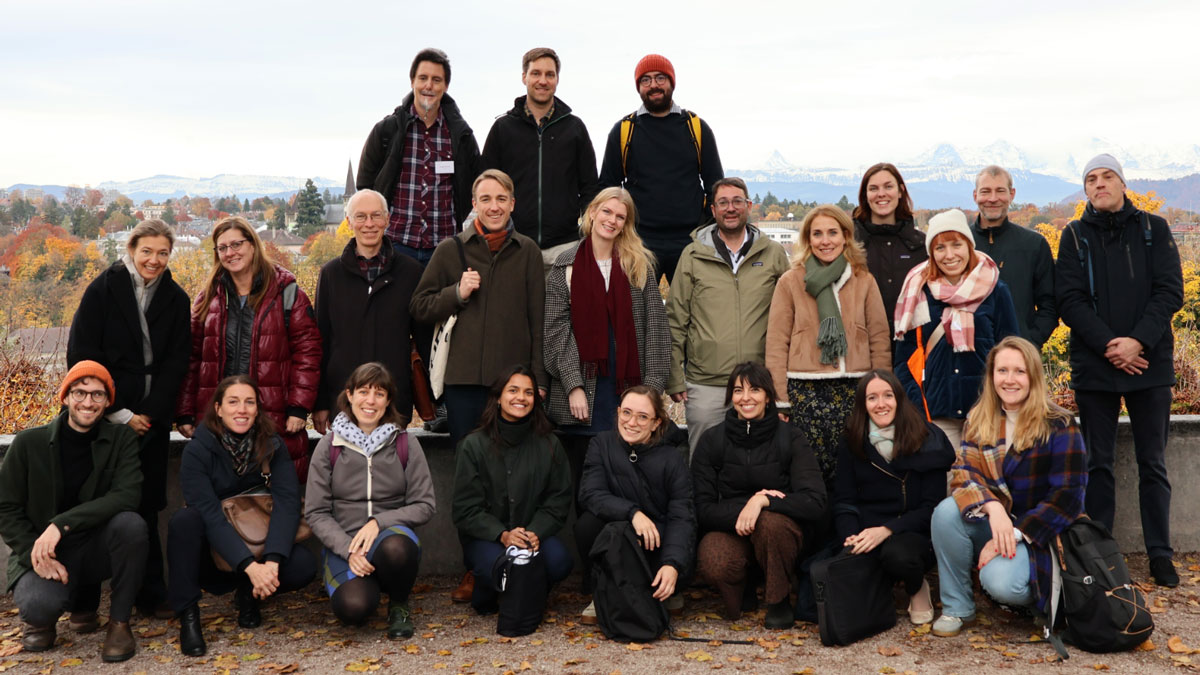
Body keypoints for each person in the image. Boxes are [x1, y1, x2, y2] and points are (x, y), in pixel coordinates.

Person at [1055, 153, 1184, 587]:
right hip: (1096, 366)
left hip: (1149, 363)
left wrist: (1137, 342)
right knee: (1098, 465)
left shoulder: (1154, 229)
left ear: (1123, 183)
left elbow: (1170, 291)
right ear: (1085, 189)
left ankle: (1160, 554)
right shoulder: (1074, 235)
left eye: (1107, 176)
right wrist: (1111, 346)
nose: (1099, 184)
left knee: (1154, 464)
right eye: (1091, 179)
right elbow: (1069, 300)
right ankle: (1101, 556)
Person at [66, 218, 190, 619]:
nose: (154, 260)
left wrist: (149, 414)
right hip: (102, 415)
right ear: (132, 249)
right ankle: (83, 601)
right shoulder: (102, 290)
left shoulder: (176, 298)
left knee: (146, 503)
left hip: (152, 418)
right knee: (91, 500)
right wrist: (118, 412)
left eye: (163, 253)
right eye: (147, 251)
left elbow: (178, 362)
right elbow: (82, 355)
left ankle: (149, 594)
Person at [929, 337, 1087, 637]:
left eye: (1019, 371)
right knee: (946, 513)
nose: (1009, 380)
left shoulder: (1059, 423)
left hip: (1042, 531)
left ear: (1033, 376)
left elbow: (1068, 496)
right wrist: (993, 508)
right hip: (996, 520)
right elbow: (964, 473)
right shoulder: (980, 417)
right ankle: (957, 607)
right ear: (991, 376)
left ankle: (1040, 600)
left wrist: (1015, 533)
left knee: (1001, 583)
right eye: (1002, 371)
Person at [0, 362, 147, 661]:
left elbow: (127, 495)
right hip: (45, 549)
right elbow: (6, 506)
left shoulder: (121, 439)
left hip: (94, 547)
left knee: (131, 525)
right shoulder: (29, 442)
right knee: (38, 606)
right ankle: (45, 619)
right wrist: (33, 552)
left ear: (107, 401)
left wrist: (61, 524)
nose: (88, 402)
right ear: (65, 397)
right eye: (79, 392)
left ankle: (119, 624)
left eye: (97, 394)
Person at [168, 375, 317, 657]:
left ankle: (250, 594)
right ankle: (188, 616)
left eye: (249, 402)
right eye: (233, 402)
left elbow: (287, 503)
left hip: (259, 542)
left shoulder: (272, 445)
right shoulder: (198, 450)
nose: (242, 410)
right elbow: (209, 514)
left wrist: (271, 562)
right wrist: (250, 566)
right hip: (214, 553)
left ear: (258, 409)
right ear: (218, 409)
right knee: (184, 522)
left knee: (303, 565)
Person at [544, 187, 670, 495]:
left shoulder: (638, 265)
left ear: (626, 224)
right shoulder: (564, 266)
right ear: (592, 213)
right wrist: (573, 385)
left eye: (620, 217)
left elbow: (656, 330)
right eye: (607, 212)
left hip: (628, 387)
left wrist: (651, 393)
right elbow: (555, 332)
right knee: (583, 485)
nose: (612, 221)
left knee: (627, 485)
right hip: (582, 390)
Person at [176, 216, 322, 481]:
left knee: (273, 497)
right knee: (220, 497)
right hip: (217, 422)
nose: (230, 253)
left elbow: (308, 354)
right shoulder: (207, 298)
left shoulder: (287, 294)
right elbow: (192, 358)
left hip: (274, 418)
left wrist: (298, 407)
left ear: (253, 245)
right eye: (223, 248)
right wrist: (185, 411)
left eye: (237, 244)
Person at [410, 169, 546, 444]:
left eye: (501, 199)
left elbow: (538, 321)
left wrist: (539, 380)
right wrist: (456, 293)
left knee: (512, 459)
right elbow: (419, 307)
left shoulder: (528, 251)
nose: (494, 207)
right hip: (462, 383)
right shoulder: (450, 250)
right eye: (486, 199)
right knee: (467, 459)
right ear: (474, 204)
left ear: (512, 203)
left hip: (513, 383)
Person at [692, 362, 827, 629]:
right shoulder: (712, 440)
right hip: (733, 529)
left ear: (767, 396)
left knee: (770, 525)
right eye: (738, 390)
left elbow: (815, 501)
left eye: (754, 389)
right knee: (713, 556)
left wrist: (764, 501)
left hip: (780, 535)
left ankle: (778, 599)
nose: (746, 398)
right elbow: (701, 507)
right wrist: (747, 510)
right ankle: (742, 589)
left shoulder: (791, 437)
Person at [307, 363, 436, 640]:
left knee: (397, 548)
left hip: (389, 538)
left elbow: (425, 504)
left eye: (379, 393)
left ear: (388, 401)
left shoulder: (404, 443)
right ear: (349, 395)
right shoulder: (329, 446)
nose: (371, 400)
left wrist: (379, 522)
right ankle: (367, 584)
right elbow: (316, 512)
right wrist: (348, 550)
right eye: (363, 391)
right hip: (345, 543)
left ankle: (399, 603)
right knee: (353, 608)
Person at [765, 205, 891, 482]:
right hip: (805, 393)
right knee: (809, 472)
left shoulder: (863, 280)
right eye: (817, 234)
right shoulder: (790, 282)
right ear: (808, 239)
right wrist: (781, 400)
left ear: (845, 236)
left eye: (833, 233)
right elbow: (776, 344)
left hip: (855, 389)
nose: (825, 241)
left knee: (854, 470)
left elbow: (879, 339)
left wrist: (882, 391)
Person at [667, 177, 789, 457]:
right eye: (723, 203)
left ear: (749, 206)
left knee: (760, 460)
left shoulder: (772, 254)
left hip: (759, 383)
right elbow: (675, 319)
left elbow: (789, 319)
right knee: (703, 460)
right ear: (713, 210)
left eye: (737, 201)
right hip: (706, 383)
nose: (730, 208)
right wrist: (674, 377)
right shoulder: (693, 255)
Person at [832, 370, 955, 625]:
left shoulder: (926, 437)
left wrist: (887, 530)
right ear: (863, 405)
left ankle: (916, 586)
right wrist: (851, 536)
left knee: (898, 556)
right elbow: (845, 500)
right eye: (872, 398)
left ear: (899, 398)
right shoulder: (852, 440)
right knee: (843, 569)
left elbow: (931, 508)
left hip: (914, 532)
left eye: (888, 395)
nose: (881, 404)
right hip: (867, 529)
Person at [451, 366, 573, 617]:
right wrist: (503, 535)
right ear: (498, 397)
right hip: (489, 539)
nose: (521, 398)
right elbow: (465, 509)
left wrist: (534, 532)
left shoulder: (549, 444)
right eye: (513, 390)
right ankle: (490, 593)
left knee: (559, 561)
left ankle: (525, 593)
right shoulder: (472, 445)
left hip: (533, 535)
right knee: (494, 566)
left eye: (528, 392)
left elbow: (558, 500)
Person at [893, 208, 1019, 451]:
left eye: (956, 245)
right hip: (936, 414)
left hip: (987, 411)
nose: (949, 255)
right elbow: (904, 360)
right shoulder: (918, 293)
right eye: (940, 247)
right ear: (931, 253)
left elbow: (1012, 350)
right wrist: (918, 409)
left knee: (989, 475)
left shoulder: (995, 289)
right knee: (944, 475)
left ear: (969, 246)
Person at [574, 386, 695, 624]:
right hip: (618, 537)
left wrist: (672, 564)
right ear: (618, 412)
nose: (631, 422)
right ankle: (603, 590)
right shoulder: (602, 444)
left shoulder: (672, 457)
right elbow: (590, 493)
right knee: (587, 525)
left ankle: (667, 589)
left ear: (656, 423)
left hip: (656, 543)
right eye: (627, 413)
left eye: (642, 417)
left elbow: (682, 516)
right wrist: (633, 513)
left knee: (673, 557)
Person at [598, 53, 723, 282]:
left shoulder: (695, 127)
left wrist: (705, 228)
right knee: (636, 305)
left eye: (660, 78)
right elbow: (608, 189)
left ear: (671, 82)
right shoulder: (625, 131)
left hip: (690, 240)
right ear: (638, 87)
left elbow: (715, 185)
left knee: (694, 305)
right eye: (645, 80)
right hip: (638, 241)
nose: (653, 85)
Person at [313, 189, 425, 435]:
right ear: (349, 221)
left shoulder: (411, 273)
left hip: (393, 399)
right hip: (343, 399)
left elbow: (423, 339)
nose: (369, 224)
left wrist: (430, 399)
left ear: (387, 219)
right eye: (361, 216)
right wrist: (320, 403)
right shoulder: (331, 274)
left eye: (376, 215)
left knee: (392, 460)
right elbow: (320, 341)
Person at [357, 47, 482, 266]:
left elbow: (474, 186)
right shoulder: (387, 131)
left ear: (446, 86)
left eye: (436, 80)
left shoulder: (460, 135)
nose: (429, 86)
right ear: (412, 81)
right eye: (423, 78)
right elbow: (365, 186)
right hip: (395, 244)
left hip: (444, 248)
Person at [482, 47, 599, 269]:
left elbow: (590, 187)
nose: (543, 81)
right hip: (513, 245)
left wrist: (588, 235)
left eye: (549, 74)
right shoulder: (502, 128)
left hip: (565, 247)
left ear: (557, 79)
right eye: (536, 73)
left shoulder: (575, 128)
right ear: (524, 77)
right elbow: (486, 185)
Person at [970, 165, 1057, 350]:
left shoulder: (1034, 244)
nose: (993, 198)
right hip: (969, 356)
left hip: (1020, 356)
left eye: (1000, 191)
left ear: (1012, 194)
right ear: (975, 195)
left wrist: (1030, 343)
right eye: (986, 191)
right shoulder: (961, 245)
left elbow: (1050, 304)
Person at [851, 163, 927, 337]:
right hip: (863, 344)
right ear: (865, 195)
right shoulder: (850, 246)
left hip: (912, 344)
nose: (881, 194)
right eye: (873, 188)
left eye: (888, 186)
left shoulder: (921, 246)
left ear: (900, 191)